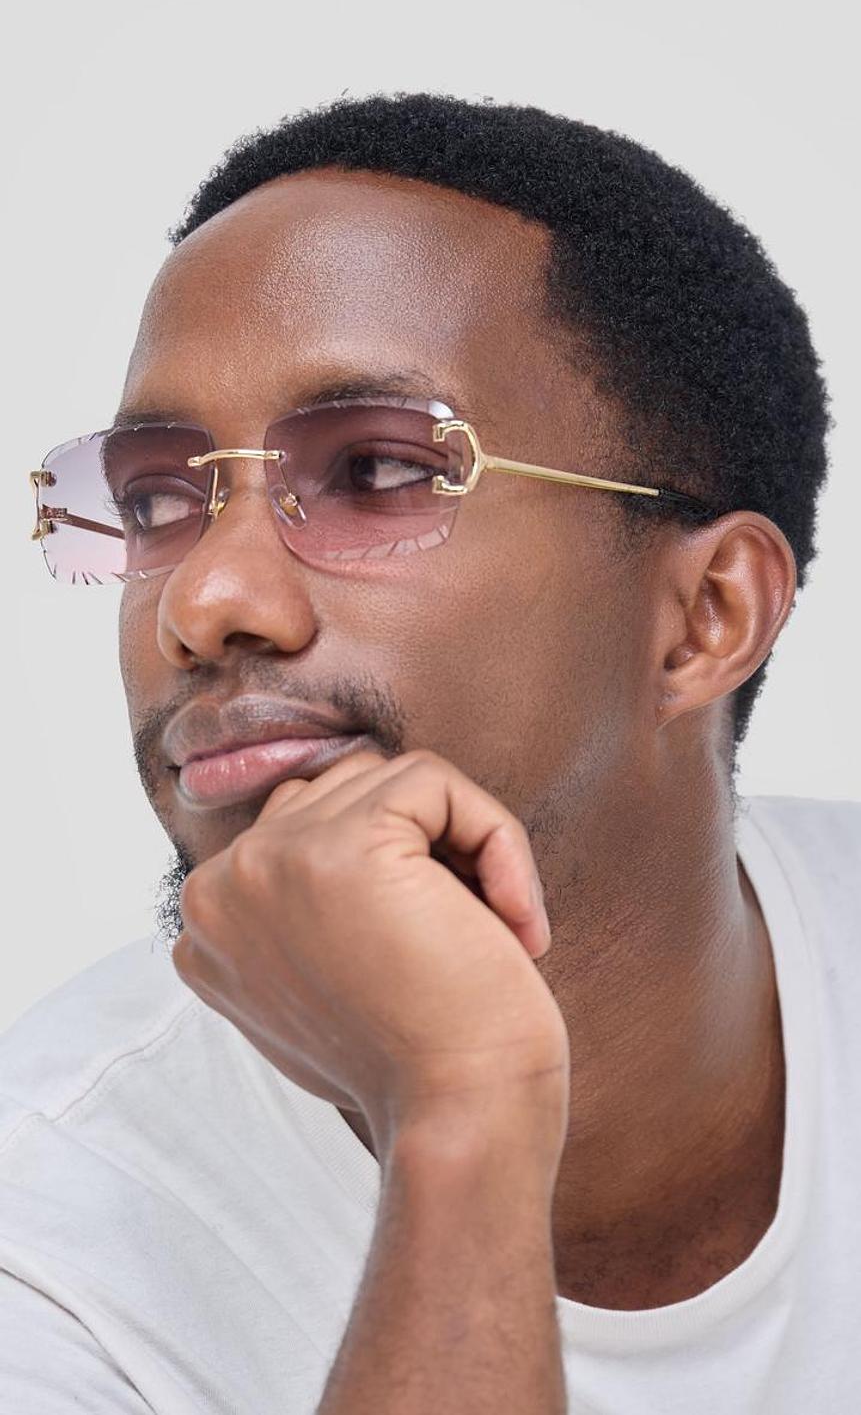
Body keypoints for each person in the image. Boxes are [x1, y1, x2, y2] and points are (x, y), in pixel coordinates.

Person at [4, 93, 858, 1413]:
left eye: (377, 472)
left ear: (706, 615)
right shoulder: (52, 1250)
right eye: (158, 499)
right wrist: (463, 1106)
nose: (205, 601)